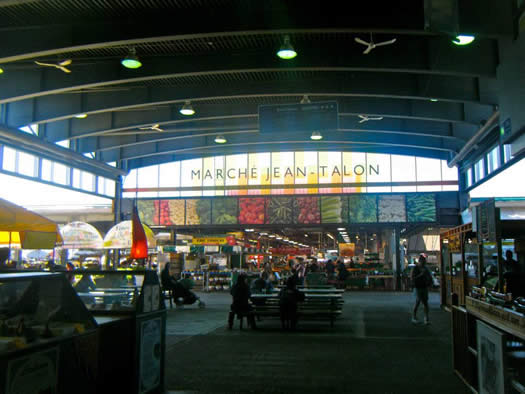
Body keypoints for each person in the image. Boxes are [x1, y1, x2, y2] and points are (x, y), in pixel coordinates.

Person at [411, 254, 432, 325]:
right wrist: (421, 275)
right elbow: (413, 278)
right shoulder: (415, 268)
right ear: (419, 261)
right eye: (422, 261)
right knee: (418, 301)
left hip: (424, 287)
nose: (423, 263)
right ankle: (414, 317)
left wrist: (429, 282)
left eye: (424, 261)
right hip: (418, 287)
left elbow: (429, 277)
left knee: (425, 303)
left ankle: (426, 318)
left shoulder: (426, 269)